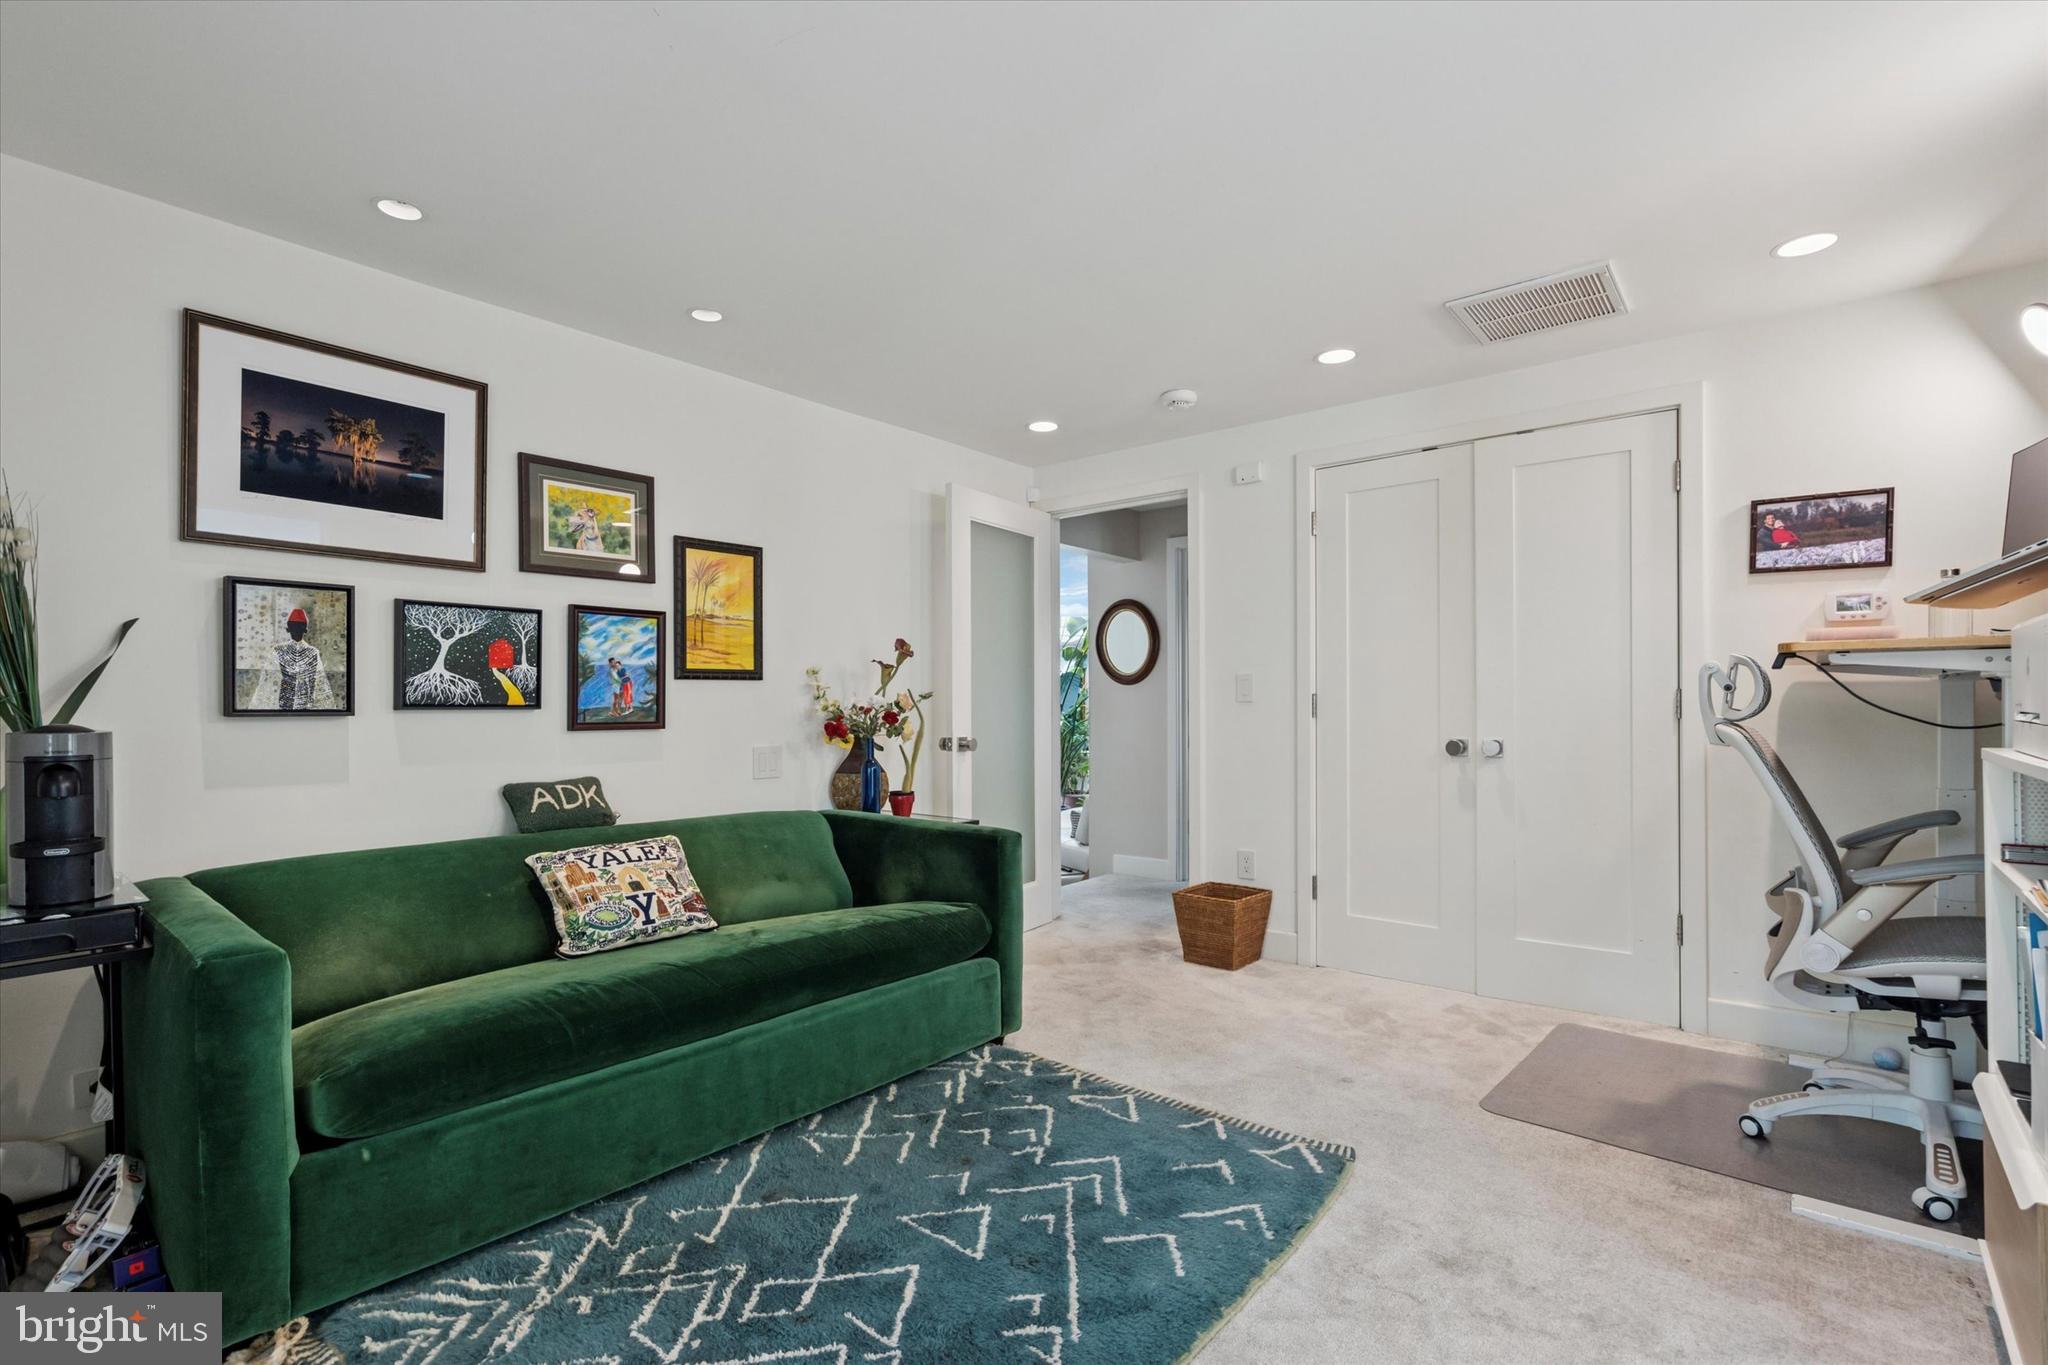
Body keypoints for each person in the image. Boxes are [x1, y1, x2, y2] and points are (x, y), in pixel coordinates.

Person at [274, 606, 333, 710]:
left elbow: (317, 679)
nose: (296, 631)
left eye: (299, 627)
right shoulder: (279, 650)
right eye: (294, 627)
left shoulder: (313, 652)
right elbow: (273, 678)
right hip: (284, 700)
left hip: (306, 702)